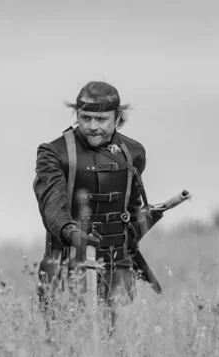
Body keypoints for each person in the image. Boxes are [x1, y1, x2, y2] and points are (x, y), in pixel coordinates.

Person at [32, 81, 161, 336]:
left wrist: (143, 221)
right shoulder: (53, 153)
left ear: (117, 118)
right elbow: (51, 205)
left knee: (118, 347)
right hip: (66, 265)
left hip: (117, 268)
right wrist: (71, 231)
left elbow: (132, 211)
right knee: (64, 346)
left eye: (101, 119)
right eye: (85, 117)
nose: (92, 126)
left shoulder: (133, 153)